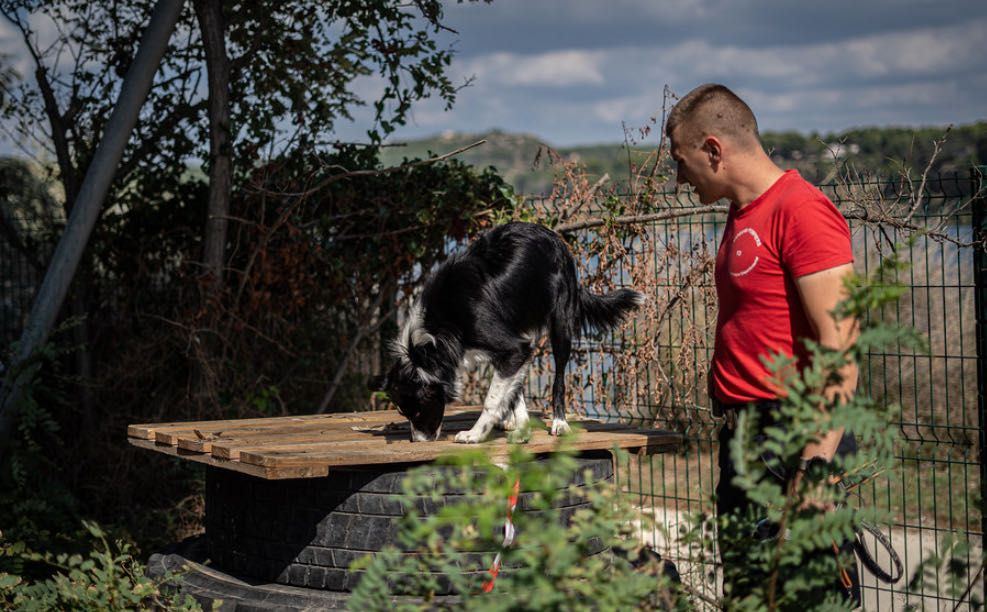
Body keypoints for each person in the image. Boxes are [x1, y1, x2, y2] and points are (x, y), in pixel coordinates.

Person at [665, 84, 861, 606]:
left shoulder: (802, 211)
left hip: (791, 443)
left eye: (681, 162)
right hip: (745, 444)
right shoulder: (742, 213)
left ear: (714, 149)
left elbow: (841, 351)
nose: (680, 178)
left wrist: (816, 465)